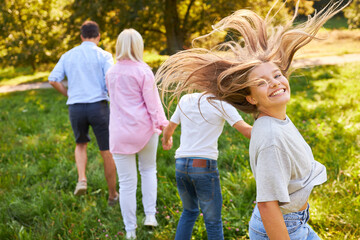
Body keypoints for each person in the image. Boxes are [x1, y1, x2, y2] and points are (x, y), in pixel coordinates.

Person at [156, 1, 350, 239]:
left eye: (277, 75)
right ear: (251, 98)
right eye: (262, 83)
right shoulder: (271, 138)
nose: (275, 82)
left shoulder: (276, 121)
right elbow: (267, 205)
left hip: (296, 222)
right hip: (282, 227)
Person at [161, 92, 252, 240]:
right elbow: (247, 131)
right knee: (213, 221)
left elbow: (169, 128)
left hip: (181, 164)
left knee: (189, 211)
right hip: (203, 166)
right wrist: (272, 130)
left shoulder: (186, 99)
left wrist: (166, 141)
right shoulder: (221, 102)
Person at [105, 28, 168, 240]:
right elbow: (153, 104)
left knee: (126, 182)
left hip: (120, 133)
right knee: (149, 170)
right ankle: (150, 215)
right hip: (145, 130)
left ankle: (130, 230)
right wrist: (163, 125)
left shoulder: (111, 73)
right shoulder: (143, 71)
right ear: (139, 46)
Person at [48, 20, 118, 205]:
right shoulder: (104, 55)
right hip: (99, 106)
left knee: (80, 144)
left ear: (81, 36)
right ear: (99, 36)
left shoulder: (68, 55)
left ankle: (82, 179)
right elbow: (110, 80)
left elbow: (53, 79)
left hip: (76, 107)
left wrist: (68, 93)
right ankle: (112, 195)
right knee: (107, 151)